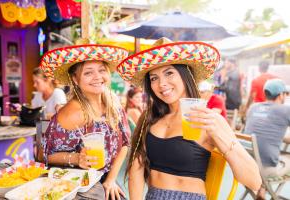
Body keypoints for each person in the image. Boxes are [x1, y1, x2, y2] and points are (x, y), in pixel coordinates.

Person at [117, 37, 261, 200]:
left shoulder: (208, 120)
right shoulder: (149, 117)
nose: (161, 83)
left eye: (169, 73)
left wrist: (221, 136)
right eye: (154, 78)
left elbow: (254, 182)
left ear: (186, 75)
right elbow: (137, 166)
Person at [39, 40, 131, 200]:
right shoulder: (73, 113)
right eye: (88, 72)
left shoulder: (113, 100)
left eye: (102, 70)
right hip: (78, 185)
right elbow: (43, 154)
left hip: (106, 179)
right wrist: (76, 158)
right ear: (75, 79)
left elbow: (125, 143)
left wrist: (110, 180)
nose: (98, 77)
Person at [244, 79, 290, 199]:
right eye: (286, 94)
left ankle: (262, 190)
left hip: (246, 166)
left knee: (268, 154)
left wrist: (281, 136)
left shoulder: (253, 108)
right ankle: (264, 188)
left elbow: (263, 132)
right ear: (281, 95)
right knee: (286, 157)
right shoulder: (285, 110)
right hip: (266, 170)